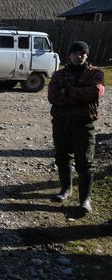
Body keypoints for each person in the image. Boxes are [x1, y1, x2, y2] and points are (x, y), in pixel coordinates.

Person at [48, 41, 105, 214]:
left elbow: (95, 92)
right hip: (61, 123)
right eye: (75, 53)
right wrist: (80, 94)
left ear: (86, 55)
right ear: (69, 55)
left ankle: (85, 200)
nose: (79, 56)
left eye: (82, 53)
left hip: (84, 123)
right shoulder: (59, 75)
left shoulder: (96, 73)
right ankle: (66, 189)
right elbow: (52, 96)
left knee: (85, 163)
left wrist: (67, 92)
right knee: (62, 157)